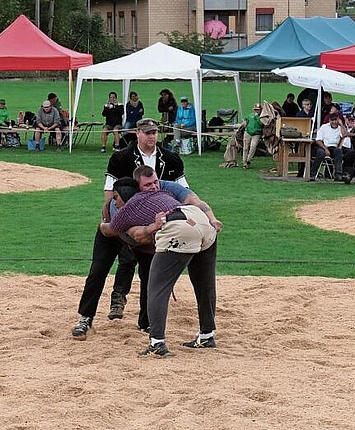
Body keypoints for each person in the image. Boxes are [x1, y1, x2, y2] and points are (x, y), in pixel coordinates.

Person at [71, 118, 187, 340]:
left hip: (151, 228)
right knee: (98, 269)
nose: (151, 136)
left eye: (154, 132)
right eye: (147, 132)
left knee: (149, 274)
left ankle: (147, 323)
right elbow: (108, 191)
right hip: (119, 218)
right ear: (137, 133)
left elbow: (183, 192)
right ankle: (85, 318)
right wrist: (109, 214)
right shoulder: (121, 157)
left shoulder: (171, 159)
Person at [100, 171, 222, 357]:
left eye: (115, 198)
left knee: (157, 288)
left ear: (123, 196)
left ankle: (157, 342)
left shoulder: (127, 208)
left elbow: (112, 230)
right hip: (201, 221)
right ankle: (207, 334)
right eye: (148, 184)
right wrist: (212, 219)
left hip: (177, 226)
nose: (153, 187)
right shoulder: (165, 191)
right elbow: (197, 201)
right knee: (205, 283)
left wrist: (101, 225)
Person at [311, 113, 346, 180]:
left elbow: (345, 135)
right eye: (332, 120)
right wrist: (325, 149)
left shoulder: (340, 128)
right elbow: (318, 140)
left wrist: (341, 124)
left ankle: (338, 174)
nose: (334, 122)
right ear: (329, 120)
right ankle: (313, 174)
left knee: (339, 151)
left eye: (336, 120)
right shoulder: (324, 127)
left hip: (333, 147)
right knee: (321, 153)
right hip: (323, 146)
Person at [239, 103, 263, 169]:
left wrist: (257, 117)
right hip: (248, 132)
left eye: (258, 110)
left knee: (253, 146)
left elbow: (262, 124)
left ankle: (248, 160)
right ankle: (244, 162)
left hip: (257, 133)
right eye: (255, 109)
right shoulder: (250, 115)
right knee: (245, 148)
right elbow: (246, 122)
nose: (256, 111)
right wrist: (241, 126)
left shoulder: (262, 117)